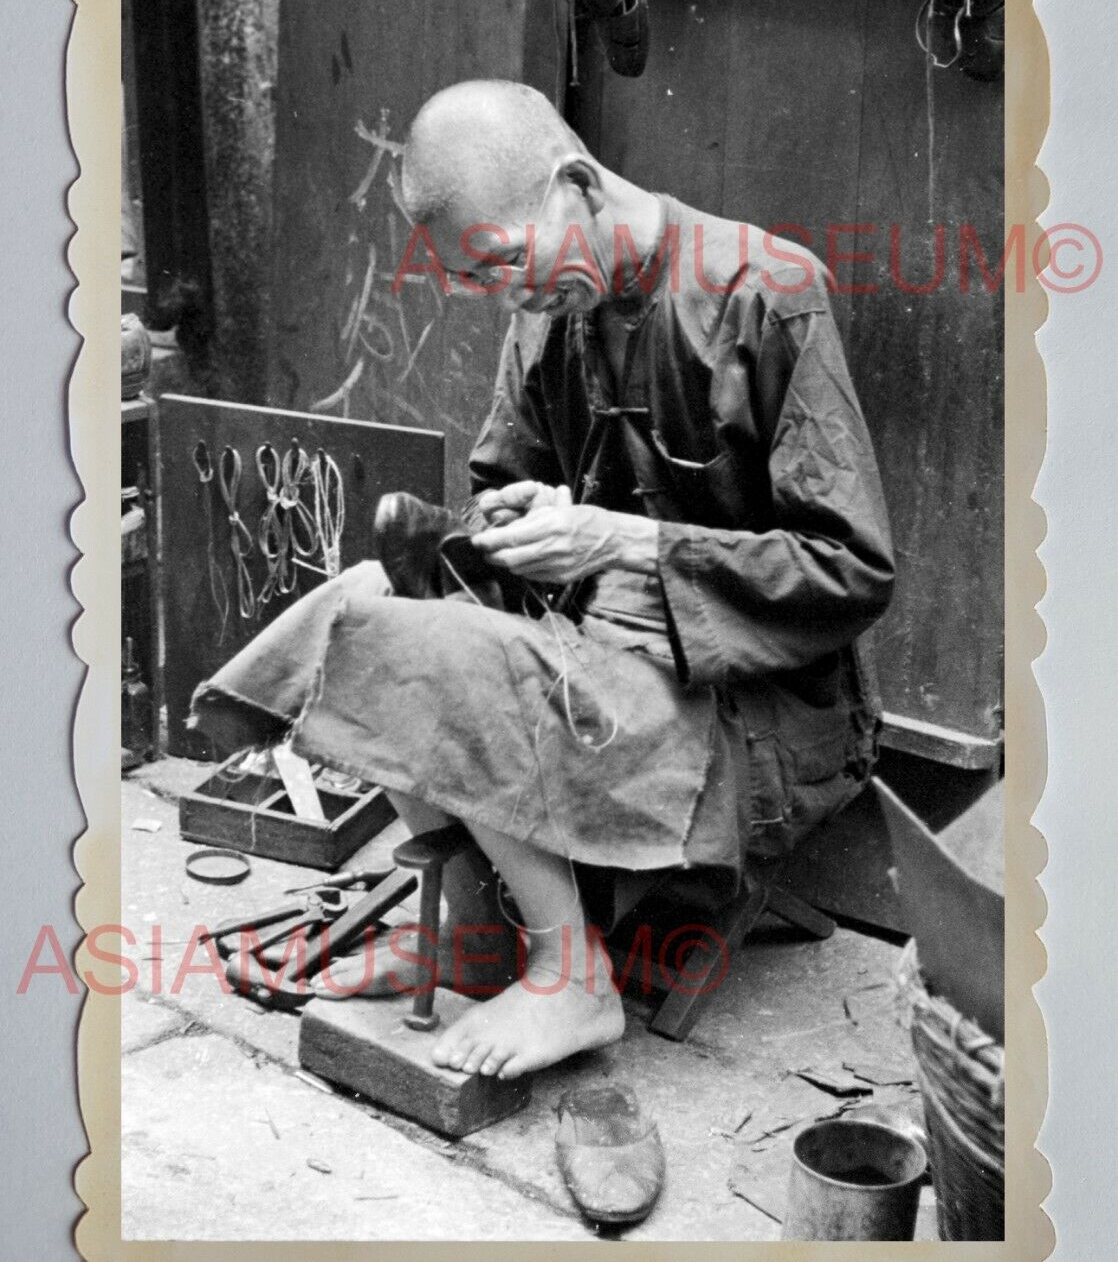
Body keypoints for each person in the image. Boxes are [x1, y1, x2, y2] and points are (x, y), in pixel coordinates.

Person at [193, 79, 895, 1082]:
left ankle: (573, 976)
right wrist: (491, 533)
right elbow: (501, 500)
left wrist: (619, 543)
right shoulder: (546, 310)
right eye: (473, 281)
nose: (502, 298)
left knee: (450, 663)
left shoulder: (763, 291)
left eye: (505, 263)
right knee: (365, 610)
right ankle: (483, 923)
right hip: (596, 658)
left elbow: (852, 571)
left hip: (761, 704)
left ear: (576, 183)